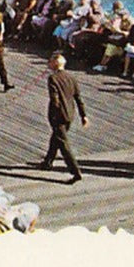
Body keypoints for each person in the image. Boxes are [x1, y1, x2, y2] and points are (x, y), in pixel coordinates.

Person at [40, 52, 87, 183]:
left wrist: (54, 113)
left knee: (63, 143)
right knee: (56, 137)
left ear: (55, 63)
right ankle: (48, 162)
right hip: (70, 113)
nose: (48, 63)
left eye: (50, 61)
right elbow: (78, 98)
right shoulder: (71, 77)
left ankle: (75, 171)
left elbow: (54, 99)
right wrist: (83, 115)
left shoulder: (53, 78)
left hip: (58, 114)